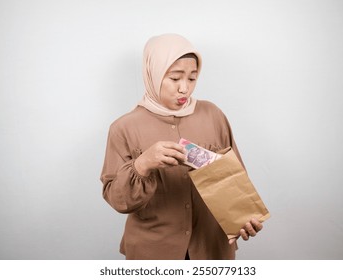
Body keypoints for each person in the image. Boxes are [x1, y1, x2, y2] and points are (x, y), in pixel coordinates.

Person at [100, 33, 263, 260]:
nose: (184, 89)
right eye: (175, 78)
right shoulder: (123, 127)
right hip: (154, 252)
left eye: (192, 78)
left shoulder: (213, 115)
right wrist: (143, 164)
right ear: (153, 74)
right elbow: (118, 200)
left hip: (211, 249)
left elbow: (236, 182)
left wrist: (245, 217)